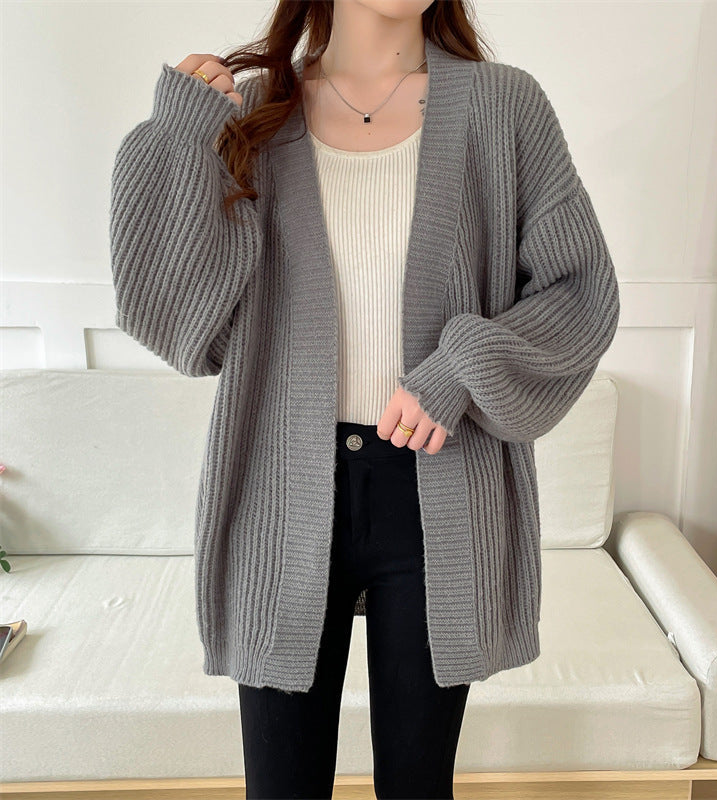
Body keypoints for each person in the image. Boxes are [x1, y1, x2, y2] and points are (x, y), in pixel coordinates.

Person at [109, 0, 621, 798]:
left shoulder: (503, 106)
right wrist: (181, 139)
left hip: (437, 489)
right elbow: (176, 321)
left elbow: (580, 294)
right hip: (282, 493)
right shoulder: (257, 115)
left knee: (417, 787)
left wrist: (458, 370)